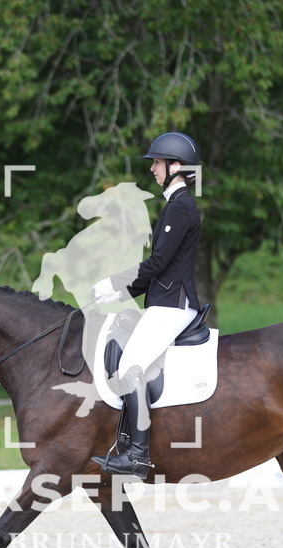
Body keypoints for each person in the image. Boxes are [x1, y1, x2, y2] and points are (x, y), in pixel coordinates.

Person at [90, 132, 203, 479]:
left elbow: (157, 264)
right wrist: (118, 293)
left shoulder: (181, 207)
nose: (152, 169)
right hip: (165, 300)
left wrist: (115, 283)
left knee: (131, 366)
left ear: (176, 166)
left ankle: (137, 455)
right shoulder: (175, 205)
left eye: (156, 162)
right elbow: (158, 268)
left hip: (173, 304)